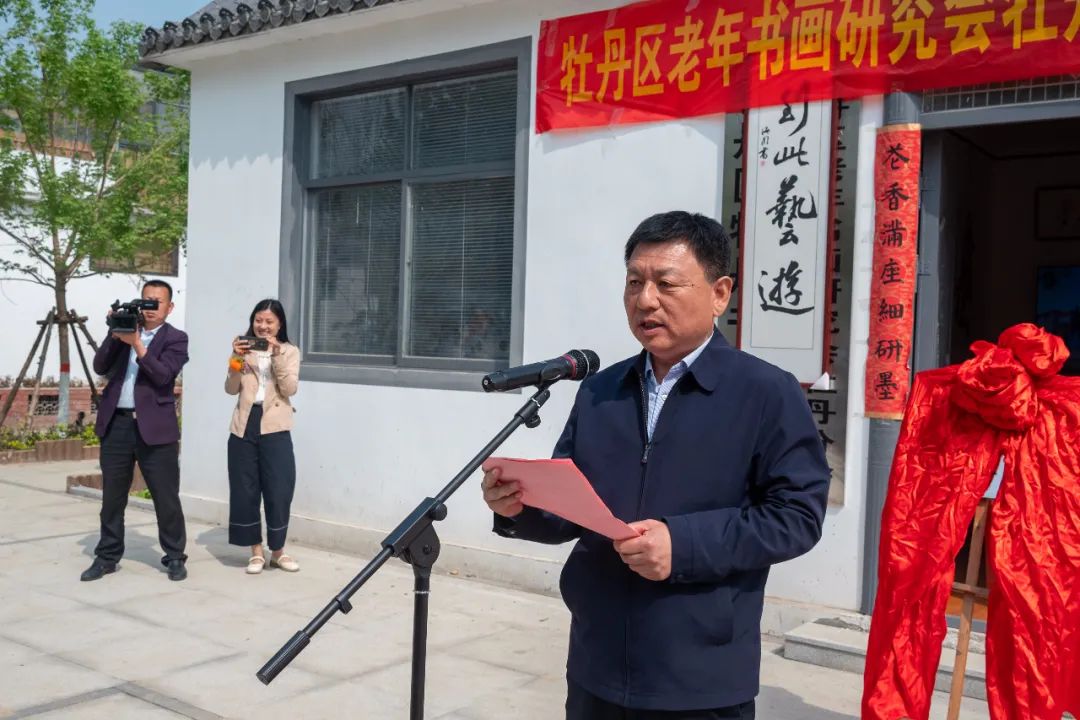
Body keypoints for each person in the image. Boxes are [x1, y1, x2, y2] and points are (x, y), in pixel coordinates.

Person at [482, 211, 831, 719]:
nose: (645, 300)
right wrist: (519, 507)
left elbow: (796, 517)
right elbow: (573, 506)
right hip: (597, 664)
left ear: (720, 293)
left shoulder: (766, 392)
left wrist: (682, 545)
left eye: (666, 283)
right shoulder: (602, 389)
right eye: (634, 283)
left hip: (700, 677)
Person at [82, 279, 189, 582]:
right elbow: (100, 366)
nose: (150, 308)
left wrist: (138, 345)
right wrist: (114, 332)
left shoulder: (176, 338)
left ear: (169, 307)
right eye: (145, 301)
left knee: (165, 496)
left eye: (157, 302)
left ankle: (175, 556)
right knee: (112, 498)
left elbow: (163, 375)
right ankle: (107, 557)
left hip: (155, 429)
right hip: (117, 423)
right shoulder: (124, 330)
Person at [225, 299, 301, 575]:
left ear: (279, 324)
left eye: (269, 321)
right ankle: (256, 552)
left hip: (276, 425)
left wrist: (276, 355)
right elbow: (230, 388)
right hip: (244, 424)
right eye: (259, 320)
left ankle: (278, 552)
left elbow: (290, 388)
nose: (263, 326)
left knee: (279, 489)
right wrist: (236, 358)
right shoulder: (243, 350)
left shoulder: (290, 351)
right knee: (245, 489)